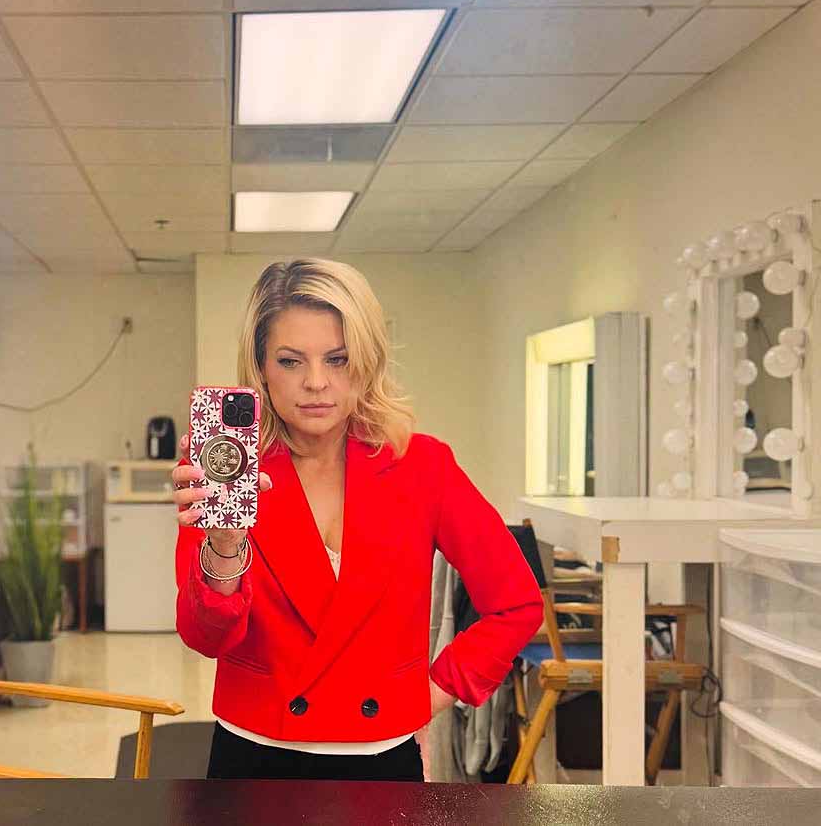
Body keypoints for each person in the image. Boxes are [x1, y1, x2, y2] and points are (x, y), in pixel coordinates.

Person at [171, 259, 542, 781]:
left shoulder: (422, 466)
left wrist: (429, 694)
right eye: (290, 361)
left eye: (338, 359)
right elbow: (205, 638)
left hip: (381, 755)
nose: (316, 382)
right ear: (261, 368)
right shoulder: (229, 469)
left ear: (367, 361)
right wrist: (225, 545)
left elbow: (516, 604)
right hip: (251, 756)